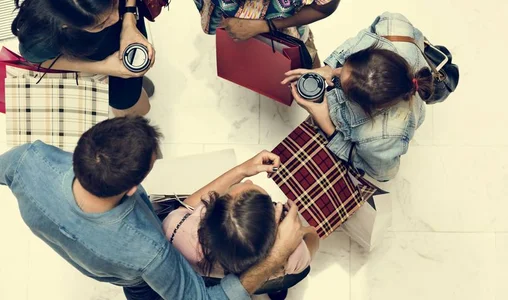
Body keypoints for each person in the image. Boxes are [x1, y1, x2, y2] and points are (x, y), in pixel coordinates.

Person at [0, 116, 309, 300]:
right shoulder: (150, 251)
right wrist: (276, 258)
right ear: (133, 188)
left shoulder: (29, 159)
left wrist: (241, 171)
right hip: (142, 286)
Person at [282, 12, 433, 182]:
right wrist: (329, 68)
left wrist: (327, 126)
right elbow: (367, 33)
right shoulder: (393, 26)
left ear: (367, 106)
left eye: (343, 84)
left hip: (401, 124)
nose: (337, 73)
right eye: (346, 64)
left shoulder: (380, 138)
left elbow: (383, 174)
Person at [163, 152, 320, 299]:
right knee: (290, 277)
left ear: (208, 213)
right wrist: (301, 230)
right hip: (274, 278)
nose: (249, 180)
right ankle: (277, 290)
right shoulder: (293, 252)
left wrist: (241, 171)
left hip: (211, 278)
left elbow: (187, 206)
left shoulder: (174, 230)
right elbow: (313, 238)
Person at [11, 0, 155, 116]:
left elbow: (119, 15)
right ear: (66, 25)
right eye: (100, 24)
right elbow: (38, 60)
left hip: (126, 21)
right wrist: (103, 67)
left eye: (113, 3)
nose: (116, 17)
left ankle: (133, 85)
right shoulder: (44, 34)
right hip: (93, 54)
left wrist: (129, 19)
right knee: (128, 105)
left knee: (131, 82)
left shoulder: (118, 14)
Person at [194, 0, 340, 67]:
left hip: (283, 28)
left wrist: (268, 25)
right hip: (226, 19)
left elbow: (326, 6)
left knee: (307, 70)